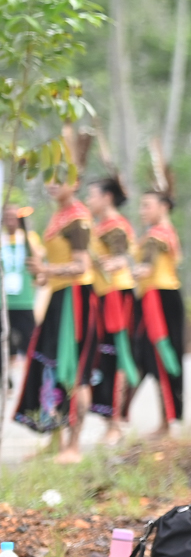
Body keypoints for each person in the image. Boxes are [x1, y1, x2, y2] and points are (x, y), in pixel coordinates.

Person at [10, 167, 91, 459]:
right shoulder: (58, 216)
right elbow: (53, 269)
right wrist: (43, 275)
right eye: (49, 179)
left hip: (76, 298)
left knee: (75, 370)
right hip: (58, 296)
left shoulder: (78, 218)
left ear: (76, 182)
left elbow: (81, 266)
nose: (52, 185)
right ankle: (55, 440)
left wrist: (47, 269)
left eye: (60, 180)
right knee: (50, 366)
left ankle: (74, 445)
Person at [84, 176, 140, 443]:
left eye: (92, 196)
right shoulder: (99, 226)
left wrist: (110, 263)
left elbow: (121, 258)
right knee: (103, 358)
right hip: (103, 295)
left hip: (117, 296)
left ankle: (115, 423)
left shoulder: (115, 225)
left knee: (116, 357)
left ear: (107, 197)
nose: (88, 201)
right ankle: (110, 421)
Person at [132, 184, 184, 426]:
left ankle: (166, 421)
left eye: (147, 206)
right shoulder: (162, 232)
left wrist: (121, 271)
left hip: (160, 300)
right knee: (145, 357)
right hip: (153, 298)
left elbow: (146, 268)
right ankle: (124, 417)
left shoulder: (157, 235)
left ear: (163, 207)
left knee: (161, 357)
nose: (141, 211)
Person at [4, 203, 43, 399]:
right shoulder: (1, 239)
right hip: (4, 303)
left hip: (25, 301)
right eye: (7, 217)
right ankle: (6, 382)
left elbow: (38, 259)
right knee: (5, 343)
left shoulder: (29, 238)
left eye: (15, 217)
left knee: (31, 342)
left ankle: (35, 383)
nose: (11, 220)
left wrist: (26, 231)